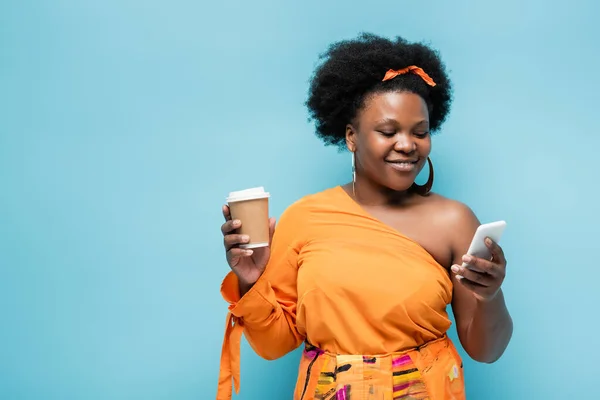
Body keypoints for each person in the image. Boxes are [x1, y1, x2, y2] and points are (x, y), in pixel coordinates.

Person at [216, 33, 513, 400]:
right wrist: (250, 282)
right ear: (351, 136)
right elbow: (273, 345)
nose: (407, 145)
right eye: (388, 131)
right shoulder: (305, 218)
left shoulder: (454, 221)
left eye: (420, 132)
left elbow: (487, 351)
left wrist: (490, 295)